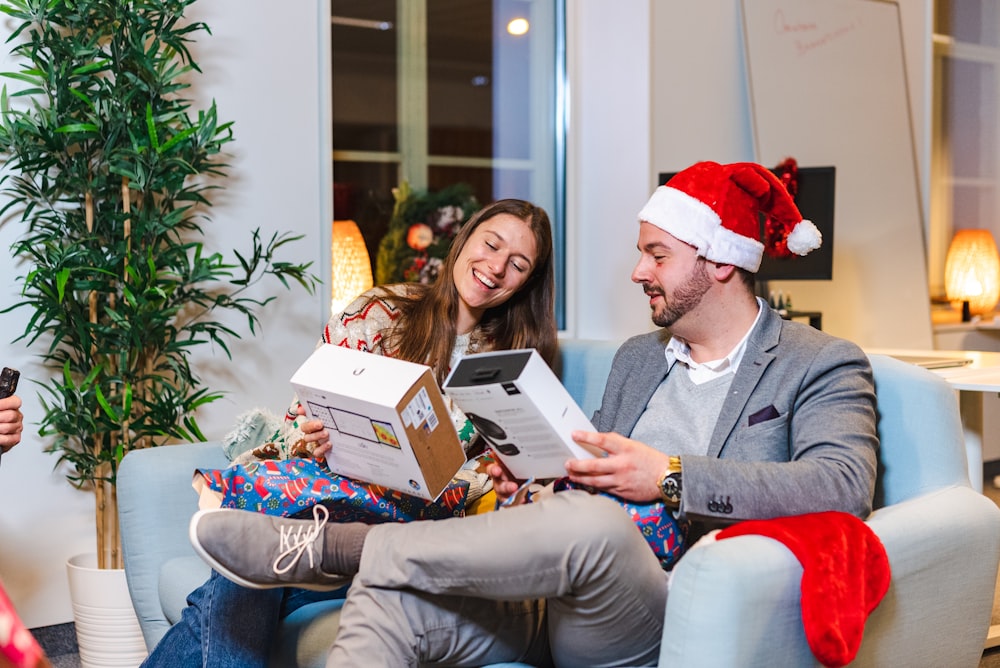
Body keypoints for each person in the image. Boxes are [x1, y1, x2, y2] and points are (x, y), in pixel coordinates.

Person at [187, 161, 879, 667]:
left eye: (656, 255)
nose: (638, 271)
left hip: (644, 598)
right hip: (536, 586)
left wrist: (666, 475)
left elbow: (843, 483)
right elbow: (576, 467)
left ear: (721, 262)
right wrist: (535, 472)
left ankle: (335, 546)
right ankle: (365, 558)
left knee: (596, 520)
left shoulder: (818, 360)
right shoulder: (641, 356)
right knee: (388, 597)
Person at [139, 198, 558, 668]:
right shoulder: (380, 312)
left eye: (518, 264)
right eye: (491, 244)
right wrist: (312, 435)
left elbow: (501, 472)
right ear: (465, 240)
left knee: (246, 572)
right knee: (249, 575)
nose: (496, 267)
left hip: (398, 535)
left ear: (528, 282)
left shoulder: (513, 363)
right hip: (321, 508)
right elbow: (302, 412)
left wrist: (453, 480)